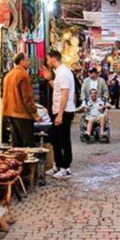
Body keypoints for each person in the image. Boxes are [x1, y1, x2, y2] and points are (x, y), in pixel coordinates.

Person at [40, 50, 77, 179]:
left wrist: (60, 114)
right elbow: (57, 88)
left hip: (64, 111)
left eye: (48, 59)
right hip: (57, 110)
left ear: (53, 59)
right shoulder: (59, 73)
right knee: (55, 139)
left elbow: (65, 94)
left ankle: (66, 168)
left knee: (64, 139)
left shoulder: (64, 73)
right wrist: (49, 79)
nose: (47, 62)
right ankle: (57, 164)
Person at [2, 53, 40, 147]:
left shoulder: (9, 75)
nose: (29, 62)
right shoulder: (23, 75)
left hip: (10, 113)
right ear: (21, 61)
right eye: (27, 60)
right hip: (22, 114)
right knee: (27, 145)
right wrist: (35, 114)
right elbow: (27, 97)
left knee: (16, 144)